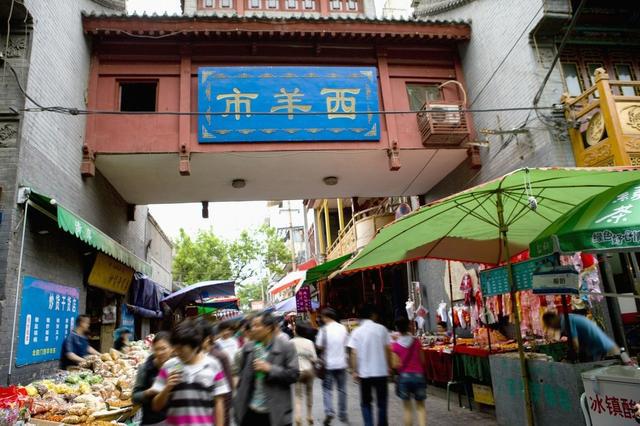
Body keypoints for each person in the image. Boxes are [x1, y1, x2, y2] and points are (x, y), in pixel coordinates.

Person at [151, 318, 230, 425]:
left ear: (195, 346)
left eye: (181, 349)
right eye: (175, 348)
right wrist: (167, 388)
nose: (176, 352)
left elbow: (219, 403)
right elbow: (156, 406)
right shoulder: (169, 366)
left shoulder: (213, 365)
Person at [234, 312, 299, 426]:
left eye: (256, 325)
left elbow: (294, 375)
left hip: (274, 413)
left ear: (269, 328)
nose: (252, 329)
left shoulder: (286, 347)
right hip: (251, 410)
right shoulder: (248, 348)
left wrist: (270, 369)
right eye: (252, 325)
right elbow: (242, 377)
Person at [347, 305, 391, 426]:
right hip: (381, 371)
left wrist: (354, 370)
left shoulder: (356, 332)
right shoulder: (382, 329)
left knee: (366, 403)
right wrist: (389, 366)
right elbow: (387, 349)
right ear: (373, 314)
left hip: (364, 373)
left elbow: (354, 353)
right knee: (382, 402)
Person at [542, 311, 632, 364]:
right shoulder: (568, 318)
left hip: (598, 347)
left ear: (552, 320)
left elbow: (575, 345)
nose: (552, 328)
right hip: (601, 345)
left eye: (550, 325)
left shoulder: (567, 320)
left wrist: (568, 359)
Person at [315, 308, 349, 426]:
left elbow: (319, 346)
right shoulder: (342, 328)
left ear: (325, 317)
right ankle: (343, 414)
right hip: (341, 363)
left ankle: (329, 411)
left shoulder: (323, 330)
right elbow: (346, 344)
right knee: (342, 390)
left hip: (328, 364)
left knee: (327, 390)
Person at [390, 317, 427, 426]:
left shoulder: (395, 345)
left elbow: (394, 364)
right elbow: (423, 360)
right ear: (409, 326)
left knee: (407, 409)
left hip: (404, 378)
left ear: (397, 329)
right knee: (420, 407)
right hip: (419, 376)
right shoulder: (416, 342)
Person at [132, 331, 173, 425]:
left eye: (163, 349)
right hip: (151, 421)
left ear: (172, 348)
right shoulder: (145, 369)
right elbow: (134, 398)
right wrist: (149, 392)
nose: (160, 353)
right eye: (157, 349)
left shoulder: (176, 367)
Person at [200, 320, 234, 426]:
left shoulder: (220, 357)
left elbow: (227, 390)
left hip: (216, 413)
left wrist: (224, 418)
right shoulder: (194, 356)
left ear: (208, 338)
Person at [291, 321, 318, 426]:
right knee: (309, 393)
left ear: (296, 331)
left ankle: (298, 416)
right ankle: (309, 415)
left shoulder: (291, 342)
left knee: (298, 396)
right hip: (309, 371)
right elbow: (314, 359)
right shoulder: (309, 342)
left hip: (297, 371)